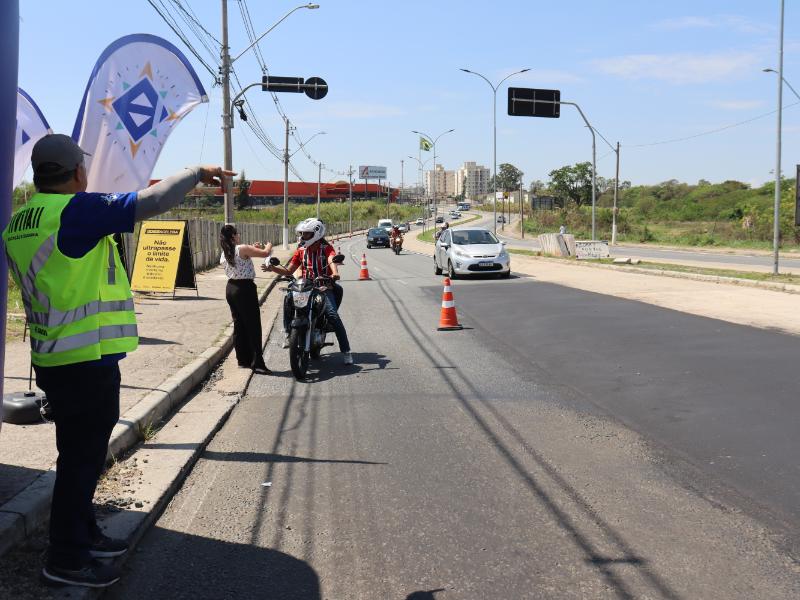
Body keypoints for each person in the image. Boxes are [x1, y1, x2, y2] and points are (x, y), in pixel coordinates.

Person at [2, 133, 234, 588]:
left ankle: (83, 533)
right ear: (76, 173)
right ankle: (66, 558)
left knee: (79, 455)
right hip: (84, 359)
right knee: (80, 460)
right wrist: (195, 172)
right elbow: (151, 201)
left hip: (55, 354)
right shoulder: (75, 211)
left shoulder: (21, 220)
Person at [262, 218, 352, 365]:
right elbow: (289, 270)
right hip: (305, 286)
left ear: (316, 234)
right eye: (302, 234)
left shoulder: (326, 249)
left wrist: (334, 274)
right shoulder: (301, 251)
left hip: (323, 286)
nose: (302, 237)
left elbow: (332, 261)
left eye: (306, 234)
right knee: (288, 299)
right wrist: (272, 268)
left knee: (333, 315)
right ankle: (287, 333)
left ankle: (346, 351)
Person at [219, 225, 273, 374]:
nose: (239, 235)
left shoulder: (226, 251)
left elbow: (244, 257)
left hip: (231, 288)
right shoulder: (242, 248)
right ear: (233, 236)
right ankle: (258, 363)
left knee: (239, 324)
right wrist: (268, 246)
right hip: (245, 289)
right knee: (253, 325)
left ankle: (243, 359)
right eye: (237, 233)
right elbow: (265, 253)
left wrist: (252, 249)